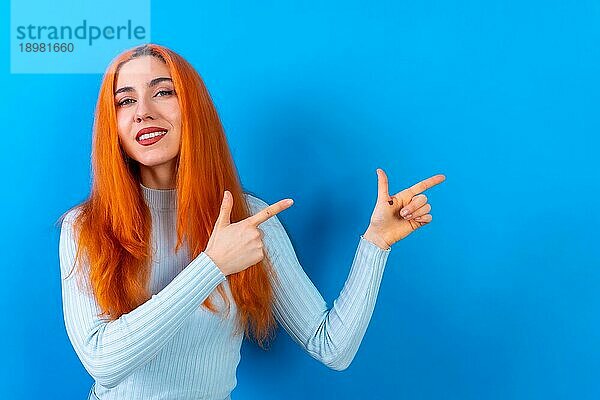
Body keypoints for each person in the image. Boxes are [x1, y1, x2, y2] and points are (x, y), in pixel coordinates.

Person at [57, 43, 446, 400]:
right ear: (113, 125)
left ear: (193, 108)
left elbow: (333, 347)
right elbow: (103, 362)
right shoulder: (84, 227)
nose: (143, 110)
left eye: (163, 92)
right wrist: (211, 267)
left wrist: (376, 244)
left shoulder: (248, 220)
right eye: (125, 100)